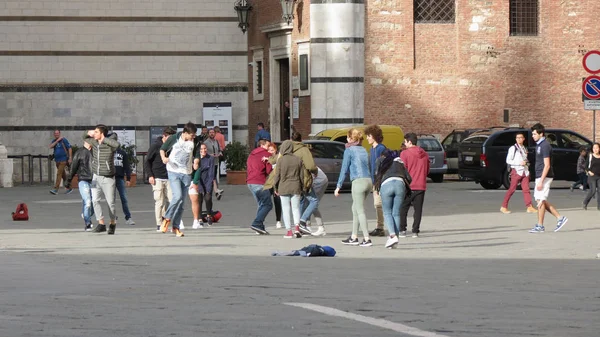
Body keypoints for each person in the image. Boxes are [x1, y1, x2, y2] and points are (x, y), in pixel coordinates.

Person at [335, 128, 373, 247]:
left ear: (351, 139)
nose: (346, 139)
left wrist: (338, 186)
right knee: (355, 208)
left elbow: (344, 168)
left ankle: (367, 238)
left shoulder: (349, 150)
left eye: (347, 137)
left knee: (360, 210)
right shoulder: (364, 149)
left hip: (358, 181)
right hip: (368, 181)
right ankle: (354, 236)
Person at [159, 122, 197, 237]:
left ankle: (176, 228)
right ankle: (166, 218)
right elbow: (162, 149)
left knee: (181, 203)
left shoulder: (193, 142)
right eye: (192, 135)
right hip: (173, 171)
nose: (193, 137)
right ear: (185, 133)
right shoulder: (174, 138)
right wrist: (164, 158)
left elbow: (196, 155)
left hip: (186, 174)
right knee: (177, 196)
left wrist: (196, 161)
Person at [529, 123, 568, 233]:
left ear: (541, 134)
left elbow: (547, 165)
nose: (533, 136)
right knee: (540, 200)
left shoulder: (545, 146)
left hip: (544, 176)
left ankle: (540, 225)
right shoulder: (539, 145)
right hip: (539, 175)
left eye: (535, 134)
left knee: (541, 201)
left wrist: (541, 180)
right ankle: (560, 218)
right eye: (532, 134)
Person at [83, 124, 120, 235]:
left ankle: (112, 223)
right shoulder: (94, 142)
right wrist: (87, 132)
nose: (94, 134)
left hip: (108, 178)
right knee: (95, 200)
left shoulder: (109, 143)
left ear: (102, 134)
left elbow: (117, 145)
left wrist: (104, 140)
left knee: (111, 203)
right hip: (95, 177)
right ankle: (101, 224)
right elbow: (84, 138)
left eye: (96, 132)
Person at [374, 150, 410, 249]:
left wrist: (377, 187)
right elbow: (409, 178)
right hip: (400, 184)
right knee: (396, 213)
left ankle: (392, 236)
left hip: (386, 184)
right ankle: (395, 240)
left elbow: (377, 174)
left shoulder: (381, 161)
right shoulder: (400, 162)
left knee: (387, 213)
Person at [145, 127, 176, 231]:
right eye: (169, 138)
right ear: (164, 136)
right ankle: (159, 223)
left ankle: (168, 221)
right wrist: (150, 175)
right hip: (157, 177)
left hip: (170, 177)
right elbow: (147, 161)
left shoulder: (172, 147)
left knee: (171, 200)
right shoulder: (155, 146)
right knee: (159, 201)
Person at [399, 133, 430, 238]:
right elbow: (427, 170)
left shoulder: (404, 154)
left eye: (405, 142)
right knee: (418, 209)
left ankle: (402, 229)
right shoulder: (425, 154)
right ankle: (415, 231)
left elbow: (402, 170)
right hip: (421, 184)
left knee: (403, 208)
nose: (404, 143)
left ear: (409, 142)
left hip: (408, 185)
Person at [274, 140, 304, 239]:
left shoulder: (280, 160)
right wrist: (302, 187)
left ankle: (289, 231)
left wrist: (275, 187)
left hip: (283, 186)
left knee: (286, 209)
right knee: (296, 208)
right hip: (296, 186)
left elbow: (277, 176)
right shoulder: (298, 159)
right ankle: (297, 229)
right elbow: (301, 176)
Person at [289, 131, 318, 235]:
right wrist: (315, 171)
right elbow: (310, 165)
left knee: (301, 201)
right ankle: (302, 221)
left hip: (292, 178)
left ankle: (299, 225)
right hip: (304, 179)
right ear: (301, 140)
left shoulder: (289, 149)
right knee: (314, 200)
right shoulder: (303, 149)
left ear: (291, 140)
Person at [500, 132, 536, 214]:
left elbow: (525, 159)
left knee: (526, 189)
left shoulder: (524, 148)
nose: (519, 139)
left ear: (524, 139)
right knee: (512, 189)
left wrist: (526, 164)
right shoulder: (513, 148)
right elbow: (508, 160)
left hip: (525, 171)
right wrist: (519, 163)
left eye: (521, 137)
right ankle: (504, 206)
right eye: (517, 138)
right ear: (516, 139)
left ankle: (529, 206)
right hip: (516, 171)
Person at [246, 139, 273, 234]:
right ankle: (257, 223)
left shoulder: (251, 154)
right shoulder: (266, 155)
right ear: (262, 145)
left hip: (250, 181)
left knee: (261, 204)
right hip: (259, 182)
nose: (269, 148)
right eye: (268, 145)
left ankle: (259, 227)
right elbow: (269, 171)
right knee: (267, 204)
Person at [364, 125, 387, 237]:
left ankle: (381, 228)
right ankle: (380, 227)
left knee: (379, 204)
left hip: (380, 181)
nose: (367, 138)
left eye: (368, 136)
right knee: (377, 205)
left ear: (373, 136)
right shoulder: (372, 149)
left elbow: (384, 165)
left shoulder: (381, 149)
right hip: (375, 181)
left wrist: (379, 180)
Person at [67, 141, 94, 231]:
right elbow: (73, 167)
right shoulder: (79, 152)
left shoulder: (96, 151)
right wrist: (69, 180)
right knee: (88, 201)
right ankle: (88, 223)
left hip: (94, 180)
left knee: (94, 202)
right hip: (83, 179)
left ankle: (86, 214)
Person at [190, 143, 216, 228]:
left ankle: (209, 215)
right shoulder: (196, 159)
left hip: (208, 180)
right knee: (199, 199)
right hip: (199, 181)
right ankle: (200, 218)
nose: (203, 150)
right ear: (199, 151)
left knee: (208, 198)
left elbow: (211, 173)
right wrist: (195, 183)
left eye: (205, 149)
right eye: (201, 149)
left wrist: (208, 186)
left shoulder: (210, 158)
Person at [114, 145, 135, 225]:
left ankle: (128, 217)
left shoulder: (122, 153)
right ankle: (113, 217)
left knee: (124, 199)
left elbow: (126, 166)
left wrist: (128, 178)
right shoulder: (108, 152)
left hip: (120, 178)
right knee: (111, 200)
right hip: (110, 178)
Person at [263, 142, 282, 229]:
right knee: (265, 201)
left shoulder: (278, 157)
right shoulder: (266, 158)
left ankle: (278, 220)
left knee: (277, 201)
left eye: (272, 150)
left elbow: (276, 161)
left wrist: (268, 159)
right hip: (269, 183)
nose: (270, 152)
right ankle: (261, 220)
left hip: (277, 183)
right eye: (269, 150)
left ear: (276, 150)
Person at [49, 129, 73, 195]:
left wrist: (70, 158)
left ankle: (56, 189)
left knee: (59, 173)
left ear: (60, 133)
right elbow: (50, 146)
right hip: (57, 160)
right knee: (63, 175)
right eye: (55, 133)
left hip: (63, 160)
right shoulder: (54, 141)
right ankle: (69, 187)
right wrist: (57, 141)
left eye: (57, 133)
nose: (56, 134)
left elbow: (69, 148)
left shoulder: (64, 140)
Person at [306, 167, 329, 237]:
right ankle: (308, 226)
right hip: (317, 180)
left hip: (319, 182)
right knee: (308, 202)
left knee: (313, 204)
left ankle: (320, 228)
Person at [204, 128, 224, 200]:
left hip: (215, 161)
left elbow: (219, 149)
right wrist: (210, 155)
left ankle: (215, 191)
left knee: (213, 176)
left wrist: (220, 153)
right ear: (208, 134)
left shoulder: (216, 141)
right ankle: (215, 191)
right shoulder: (206, 142)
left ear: (215, 133)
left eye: (213, 132)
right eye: (210, 132)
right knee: (211, 176)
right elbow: (204, 152)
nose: (212, 134)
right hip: (208, 162)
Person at [583, 142, 600, 210]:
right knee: (593, 191)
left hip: (599, 176)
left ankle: (599, 206)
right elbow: (586, 166)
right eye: (594, 148)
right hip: (592, 176)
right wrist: (589, 172)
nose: (595, 149)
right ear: (592, 149)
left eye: (597, 148)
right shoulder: (590, 156)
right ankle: (585, 202)